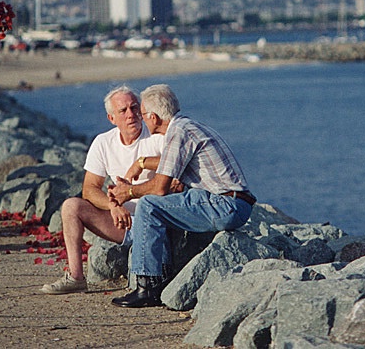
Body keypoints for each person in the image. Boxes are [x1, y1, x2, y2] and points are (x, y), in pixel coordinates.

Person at [108, 84, 256, 308]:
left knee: (149, 205)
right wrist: (142, 164)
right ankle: (161, 277)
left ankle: (147, 286)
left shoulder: (179, 133)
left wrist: (127, 193)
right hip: (233, 203)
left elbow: (159, 187)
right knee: (162, 203)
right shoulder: (186, 127)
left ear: (154, 117)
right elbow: (170, 166)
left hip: (226, 205)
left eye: (142, 114)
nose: (142, 120)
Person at [40, 85, 166, 294]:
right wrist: (113, 206)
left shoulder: (156, 136)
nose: (131, 115)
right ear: (111, 118)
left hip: (156, 221)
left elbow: (173, 177)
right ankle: (76, 277)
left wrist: (132, 190)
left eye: (135, 108)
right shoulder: (103, 142)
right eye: (123, 111)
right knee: (71, 206)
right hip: (121, 222)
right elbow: (89, 189)